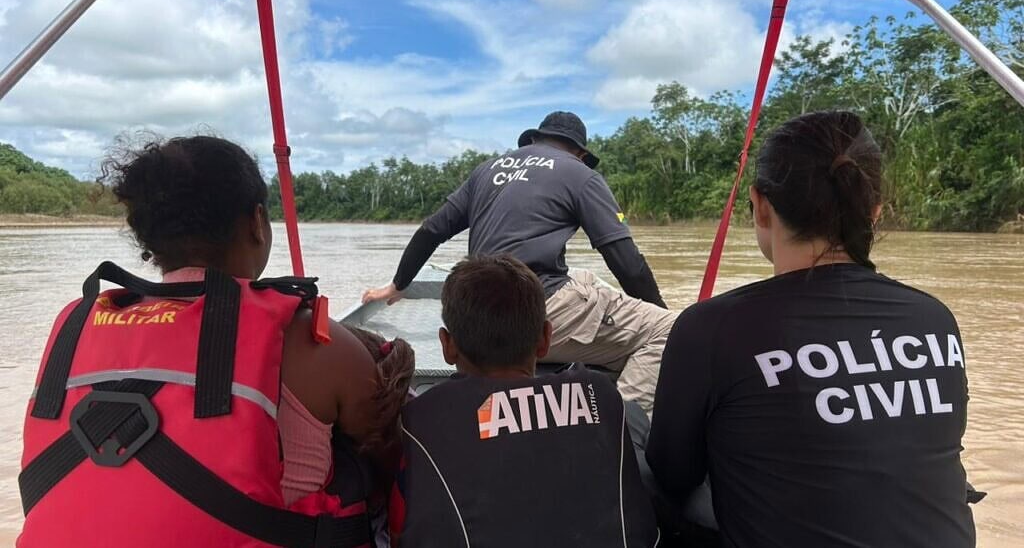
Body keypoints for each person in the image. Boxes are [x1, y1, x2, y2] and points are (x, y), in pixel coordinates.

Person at [19, 135, 412, 547]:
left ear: (149, 241)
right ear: (257, 223)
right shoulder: (309, 338)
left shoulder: (75, 325)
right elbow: (391, 453)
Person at [646, 111, 976, 547]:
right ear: (874, 209)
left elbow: (672, 473)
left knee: (633, 434)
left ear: (760, 205)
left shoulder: (712, 328)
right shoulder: (935, 318)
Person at [363, 111, 674, 412]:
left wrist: (397, 285)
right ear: (579, 152)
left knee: (581, 277)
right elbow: (627, 263)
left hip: (474, 319)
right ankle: (620, 427)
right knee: (669, 331)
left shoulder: (487, 169)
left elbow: (430, 231)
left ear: (534, 140)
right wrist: (659, 312)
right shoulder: (581, 175)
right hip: (530, 318)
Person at [390, 254, 659, 547]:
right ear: (545, 338)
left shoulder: (422, 419)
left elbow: (397, 531)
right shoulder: (601, 394)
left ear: (447, 345)